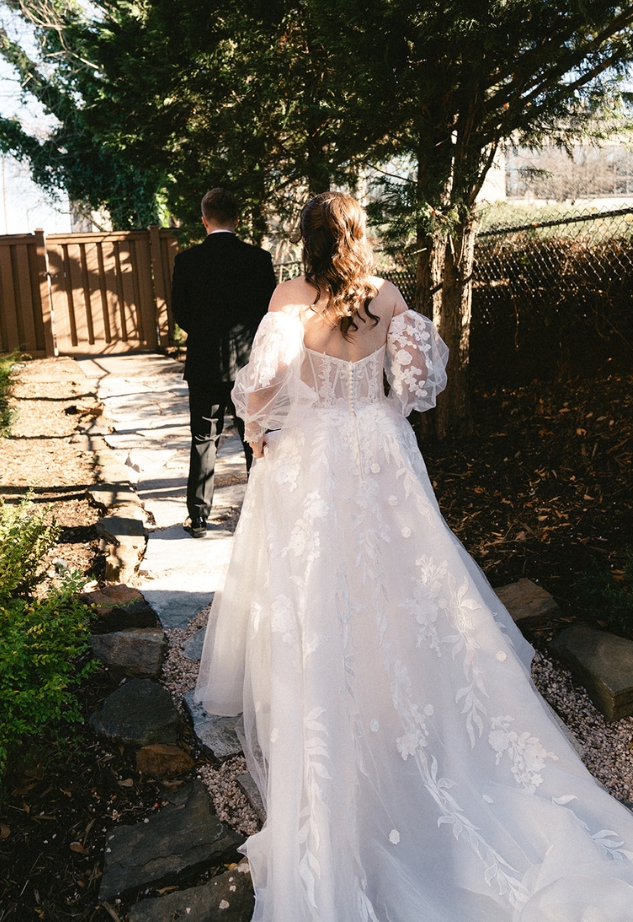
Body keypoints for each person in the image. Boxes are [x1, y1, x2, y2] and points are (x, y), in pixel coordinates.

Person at [195, 191, 633, 921]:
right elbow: (421, 384)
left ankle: (346, 715)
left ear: (307, 240)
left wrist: (261, 430)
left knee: (322, 593)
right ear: (360, 237)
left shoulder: (292, 296)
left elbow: (261, 385)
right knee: (407, 591)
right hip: (379, 457)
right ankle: (411, 712)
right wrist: (379, 407)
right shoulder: (388, 295)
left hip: (314, 464)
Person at [169, 188, 277, 536]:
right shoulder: (258, 259)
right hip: (249, 365)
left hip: (204, 363)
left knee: (203, 437)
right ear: (238, 219)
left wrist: (205, 336)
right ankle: (261, 514)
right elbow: (269, 315)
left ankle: (199, 518)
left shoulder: (186, 261)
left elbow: (181, 314)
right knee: (253, 436)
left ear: (204, 221)